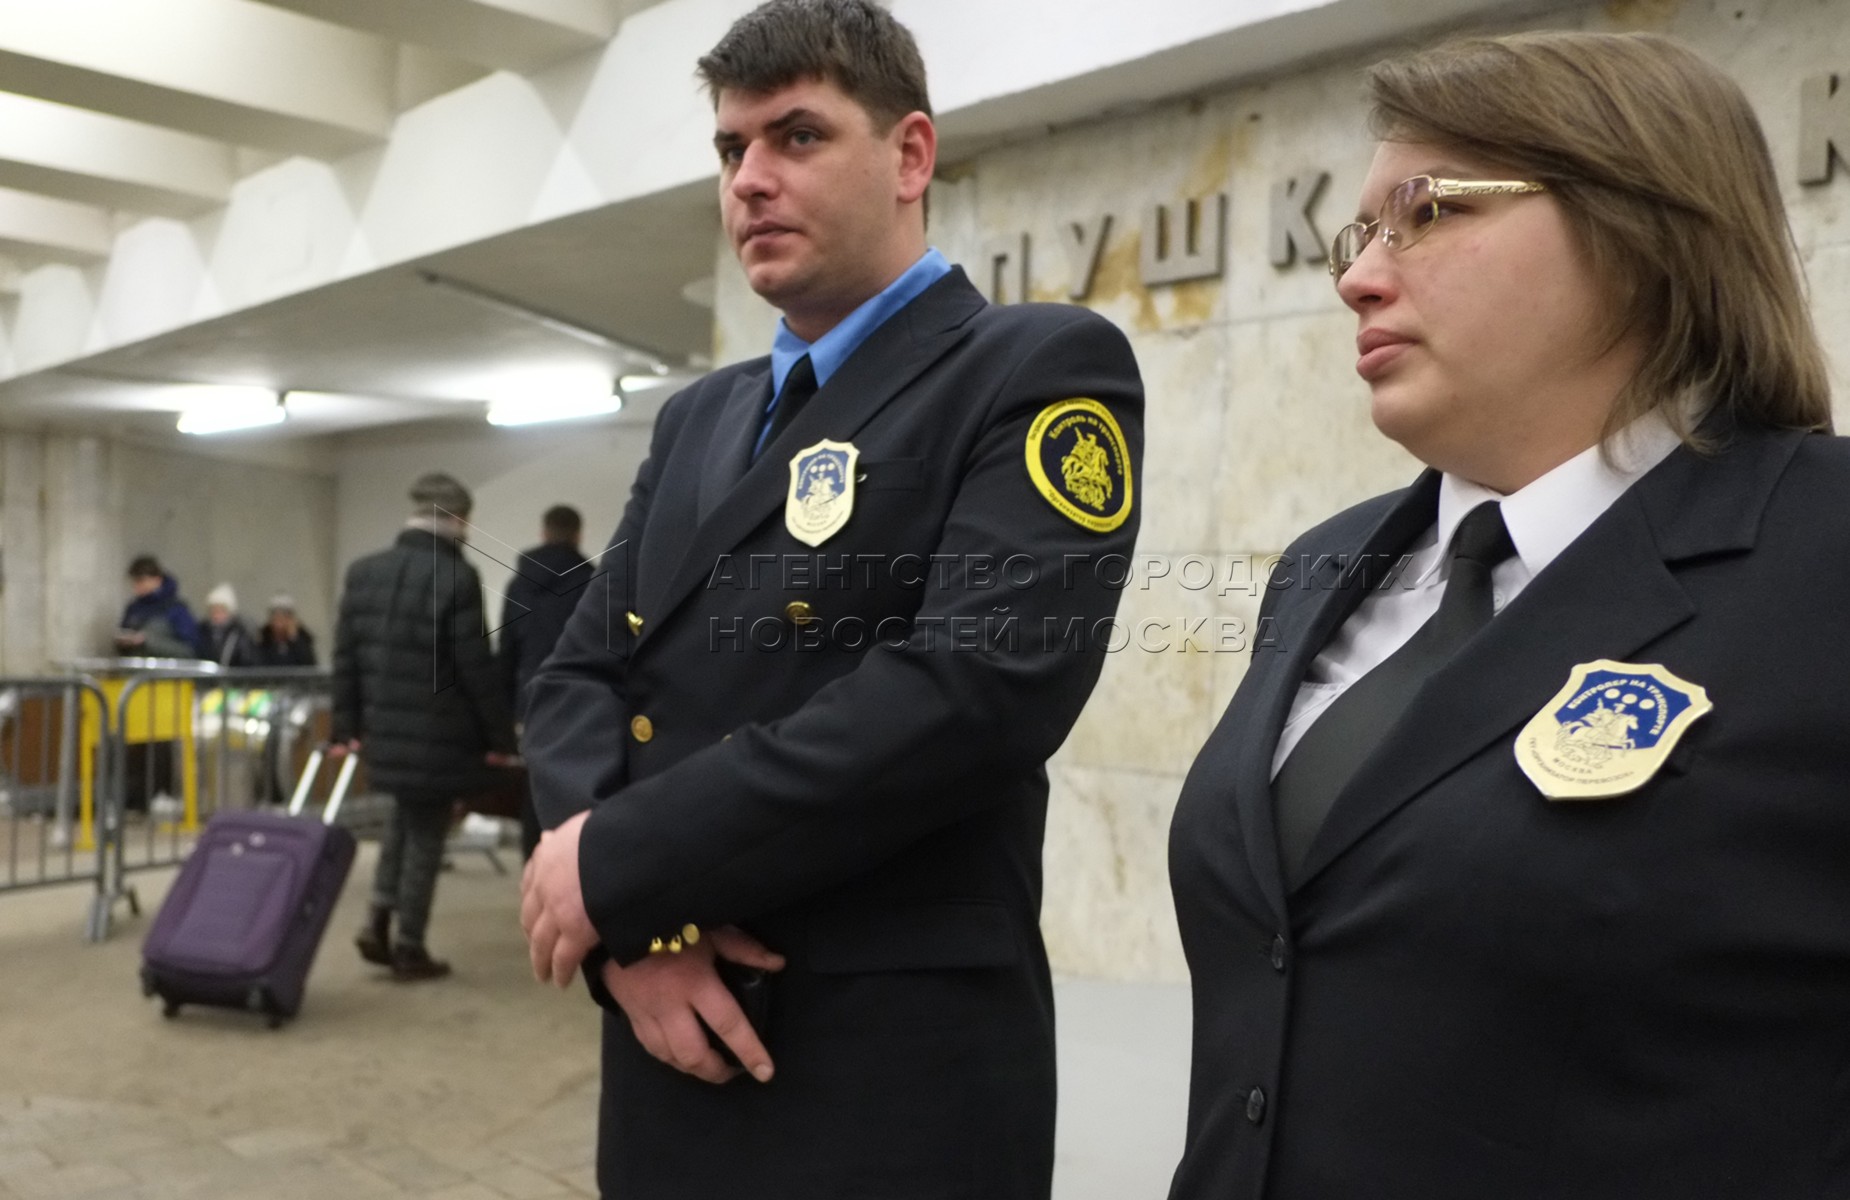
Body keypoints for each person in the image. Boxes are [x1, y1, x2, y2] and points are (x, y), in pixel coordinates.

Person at [1167, 31, 1846, 1200]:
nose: (1358, 277)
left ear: (1638, 229)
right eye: (1359, 232)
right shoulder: (1328, 564)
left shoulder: (1822, 550)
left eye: (1426, 213)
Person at [517, 2, 1144, 1195]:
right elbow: (582, 668)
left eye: (795, 136)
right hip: (668, 1035)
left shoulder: (1032, 368)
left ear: (909, 155)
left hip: (883, 1073)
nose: (749, 179)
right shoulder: (702, 413)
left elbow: (975, 691)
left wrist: (618, 861)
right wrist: (636, 937)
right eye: (729, 148)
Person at [332, 472, 517, 981]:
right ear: (456, 519)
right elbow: (474, 668)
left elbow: (345, 657)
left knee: (402, 820)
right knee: (427, 834)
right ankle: (409, 943)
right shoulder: (456, 578)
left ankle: (377, 918)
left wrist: (344, 726)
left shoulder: (363, 572)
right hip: (440, 733)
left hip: (385, 732)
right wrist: (501, 738)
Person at [497, 504, 593, 860]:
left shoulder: (519, 584)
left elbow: (506, 649)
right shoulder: (593, 582)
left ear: (543, 533)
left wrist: (506, 712)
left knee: (534, 788)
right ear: (578, 535)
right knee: (574, 786)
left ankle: (532, 869)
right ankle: (568, 864)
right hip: (579, 700)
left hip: (530, 700)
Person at [116, 556, 200, 658]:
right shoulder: (133, 609)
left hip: (168, 671)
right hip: (137, 671)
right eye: (134, 581)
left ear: (157, 580)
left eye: (141, 580)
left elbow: (189, 650)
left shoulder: (176, 609)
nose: (137, 586)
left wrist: (147, 641)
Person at [194, 583, 255, 667]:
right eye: (213, 610)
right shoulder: (202, 631)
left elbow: (247, 660)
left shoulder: (239, 634)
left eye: (221, 611)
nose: (216, 615)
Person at [252, 595, 317, 667]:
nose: (279, 624)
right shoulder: (263, 641)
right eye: (276, 618)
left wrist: (294, 638)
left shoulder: (303, 640)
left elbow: (309, 664)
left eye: (284, 618)